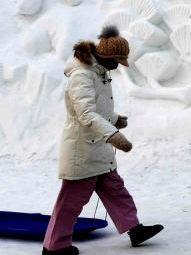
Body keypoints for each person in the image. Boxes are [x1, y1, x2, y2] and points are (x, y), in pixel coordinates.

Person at [42, 27, 163, 255]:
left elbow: (97, 107)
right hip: (83, 150)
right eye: (117, 61)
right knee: (70, 201)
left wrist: (116, 119)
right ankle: (54, 247)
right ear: (106, 57)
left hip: (98, 146)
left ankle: (134, 229)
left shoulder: (98, 71)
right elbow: (85, 113)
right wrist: (113, 135)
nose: (118, 65)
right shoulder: (82, 75)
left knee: (116, 190)